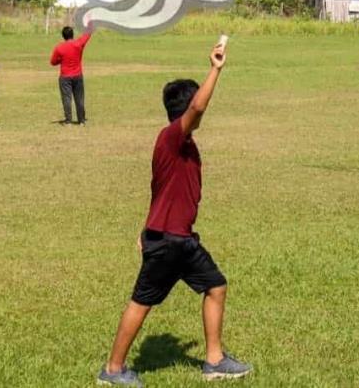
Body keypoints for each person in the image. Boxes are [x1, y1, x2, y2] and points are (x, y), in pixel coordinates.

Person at [97, 40, 252, 386]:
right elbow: (197, 107)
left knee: (216, 286)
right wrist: (216, 69)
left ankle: (214, 360)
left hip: (177, 238)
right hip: (169, 241)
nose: (203, 110)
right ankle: (113, 370)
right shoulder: (171, 137)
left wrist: (144, 228)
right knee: (142, 301)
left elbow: (160, 191)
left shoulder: (181, 145)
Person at [50, 25, 92, 125]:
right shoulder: (79, 44)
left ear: (63, 36)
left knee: (67, 98)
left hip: (65, 77)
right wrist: (90, 23)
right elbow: (87, 35)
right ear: (73, 34)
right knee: (79, 98)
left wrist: (61, 60)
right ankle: (81, 120)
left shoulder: (59, 48)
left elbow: (53, 62)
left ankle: (68, 120)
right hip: (78, 75)